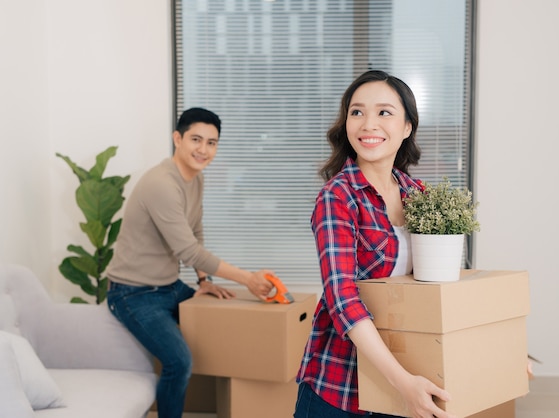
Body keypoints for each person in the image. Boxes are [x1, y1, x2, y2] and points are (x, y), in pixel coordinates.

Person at [294, 70, 456, 418]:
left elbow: (447, 285)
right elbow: (342, 298)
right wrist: (402, 382)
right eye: (357, 112)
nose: (368, 124)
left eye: (384, 112)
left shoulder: (420, 196)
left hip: (408, 375)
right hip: (342, 388)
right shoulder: (338, 197)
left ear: (408, 126)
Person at [106, 107, 274, 418]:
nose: (204, 149)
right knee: (179, 361)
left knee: (224, 326)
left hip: (168, 286)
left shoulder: (195, 180)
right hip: (132, 294)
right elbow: (188, 251)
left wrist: (204, 281)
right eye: (196, 139)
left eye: (212, 142)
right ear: (177, 139)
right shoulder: (161, 184)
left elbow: (194, 231)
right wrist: (248, 279)